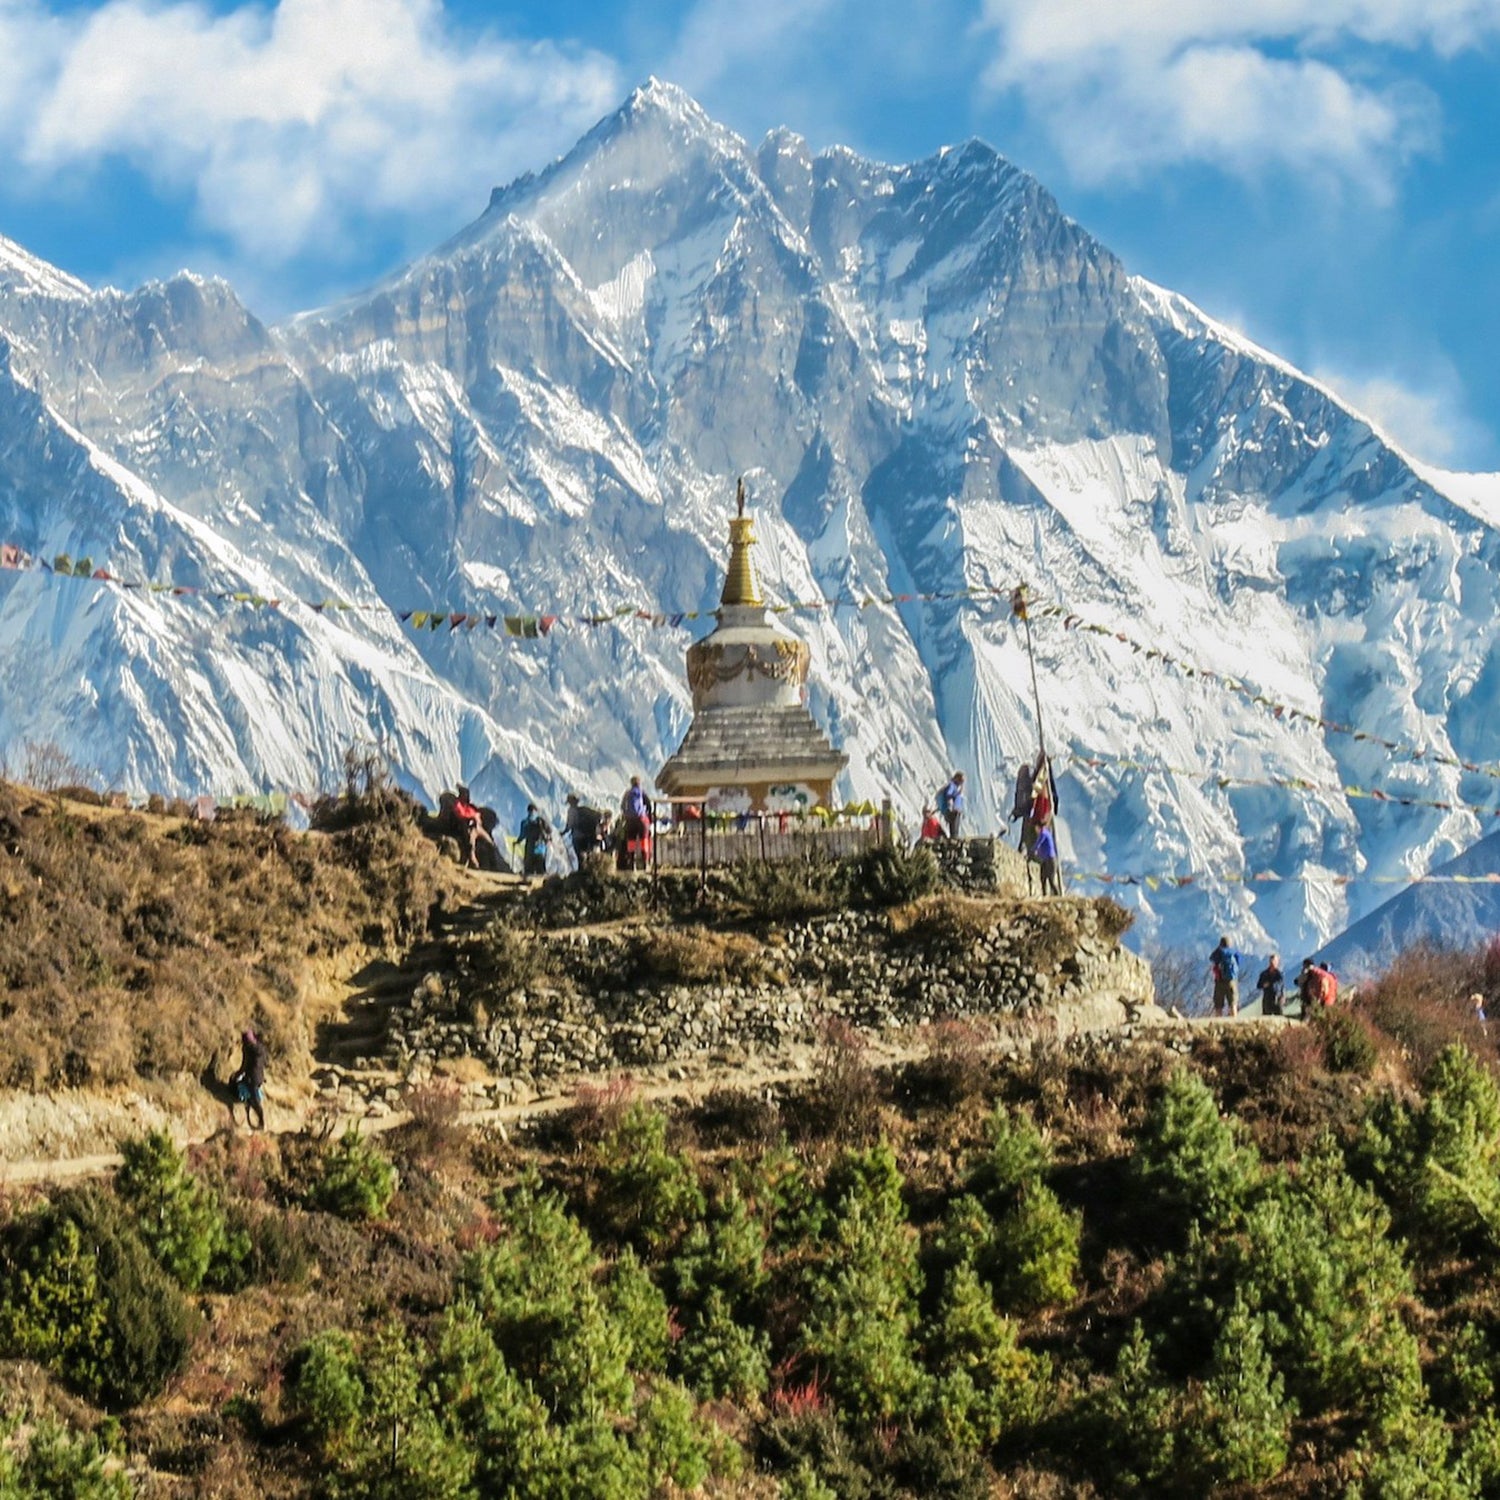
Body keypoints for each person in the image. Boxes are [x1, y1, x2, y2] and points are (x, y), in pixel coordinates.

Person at [453, 784, 500, 871]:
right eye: (465, 794)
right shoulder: (458, 805)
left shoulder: (470, 806)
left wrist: (476, 817)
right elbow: (460, 815)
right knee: (471, 844)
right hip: (468, 827)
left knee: (490, 842)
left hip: (478, 827)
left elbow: (476, 814)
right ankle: (474, 863)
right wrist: (471, 817)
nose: (467, 796)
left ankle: (494, 864)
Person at [230, 1027, 267, 1131]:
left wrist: (236, 1075)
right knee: (254, 1098)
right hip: (260, 1077)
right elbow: (265, 1062)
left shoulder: (248, 1049)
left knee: (255, 1101)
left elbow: (245, 1066)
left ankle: (261, 1123)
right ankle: (254, 1117)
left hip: (252, 1078)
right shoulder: (261, 1048)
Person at [619, 775, 652, 871]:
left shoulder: (627, 793)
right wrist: (648, 818)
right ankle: (645, 864)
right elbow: (649, 806)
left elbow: (622, 806)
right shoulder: (642, 792)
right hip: (642, 820)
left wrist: (627, 816)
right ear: (639, 783)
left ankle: (632, 864)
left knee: (631, 842)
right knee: (644, 841)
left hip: (630, 822)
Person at [1209, 934, 1244, 1018]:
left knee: (1218, 1005)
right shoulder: (1234, 952)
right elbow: (1240, 961)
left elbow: (1211, 958)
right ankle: (1234, 1021)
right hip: (1232, 981)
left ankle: (1218, 1022)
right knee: (1233, 1004)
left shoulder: (1219, 952)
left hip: (1220, 981)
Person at [564, 794, 603, 863]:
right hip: (588, 835)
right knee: (587, 852)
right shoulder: (584, 809)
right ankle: (588, 867)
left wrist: (563, 832)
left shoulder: (571, 811)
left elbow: (569, 825)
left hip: (577, 835)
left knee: (578, 853)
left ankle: (581, 868)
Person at [518, 802, 552, 877]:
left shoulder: (525, 822)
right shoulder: (542, 821)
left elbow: (522, 835)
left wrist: (517, 842)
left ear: (528, 811)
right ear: (536, 811)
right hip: (541, 849)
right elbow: (549, 832)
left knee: (529, 871)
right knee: (540, 872)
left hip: (529, 849)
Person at [1033, 822, 1061, 895]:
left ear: (1038, 827)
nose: (1035, 830)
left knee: (1051, 880)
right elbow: (1042, 850)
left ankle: (1058, 896)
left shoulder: (1043, 834)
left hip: (1050, 860)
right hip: (1046, 860)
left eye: (1036, 828)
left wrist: (1033, 850)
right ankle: (1044, 895)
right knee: (1043, 878)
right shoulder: (1046, 833)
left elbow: (1038, 844)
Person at [938, 771, 966, 839]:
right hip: (952, 810)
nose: (961, 783)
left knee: (954, 825)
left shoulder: (954, 786)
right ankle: (954, 837)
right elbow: (948, 795)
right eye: (961, 781)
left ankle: (954, 837)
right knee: (954, 826)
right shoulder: (952, 785)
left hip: (952, 809)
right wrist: (957, 793)